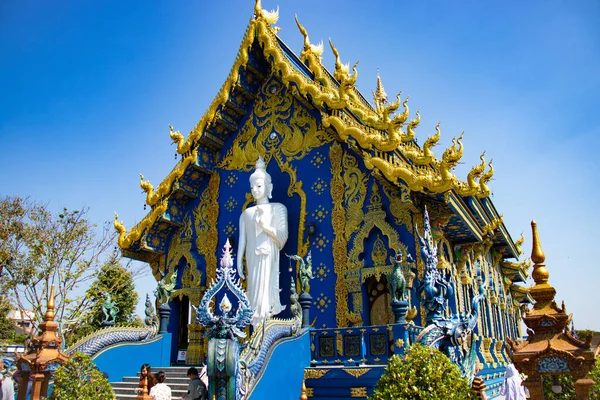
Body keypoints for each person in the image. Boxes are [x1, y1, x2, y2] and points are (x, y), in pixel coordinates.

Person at [237, 156, 289, 327]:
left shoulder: (278, 208)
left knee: (265, 293)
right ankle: (255, 327)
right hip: (252, 257)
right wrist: (238, 261)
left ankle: (264, 325)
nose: (255, 190)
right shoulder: (246, 214)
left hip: (268, 254)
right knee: (253, 292)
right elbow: (242, 242)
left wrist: (266, 227)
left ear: (269, 187)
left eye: (259, 186)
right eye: (252, 187)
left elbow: (283, 237)